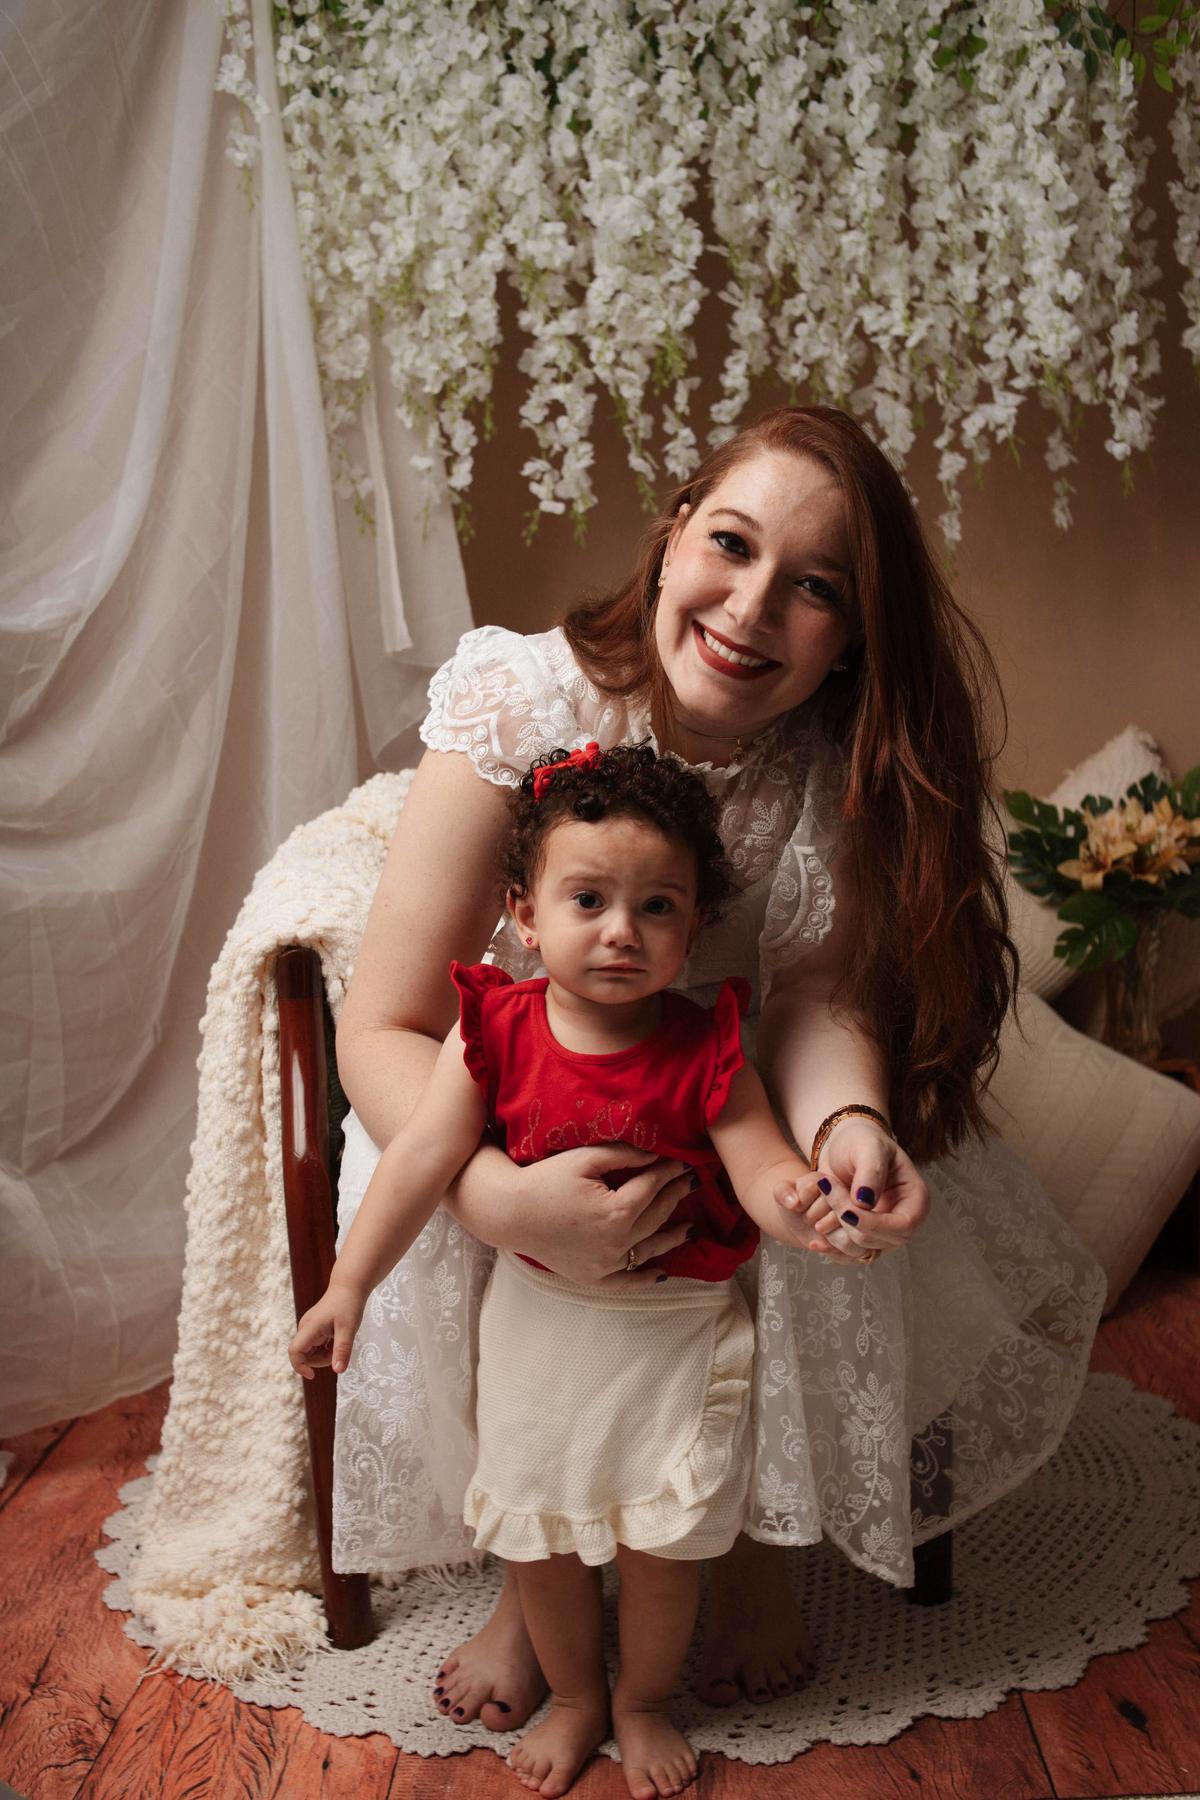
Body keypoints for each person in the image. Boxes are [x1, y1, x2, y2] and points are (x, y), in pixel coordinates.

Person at [329, 405, 1106, 1730]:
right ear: (676, 529)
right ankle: (541, 1564)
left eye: (816, 589)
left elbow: (814, 997)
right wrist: (500, 1197)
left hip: (708, 1092)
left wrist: (848, 1121)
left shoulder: (839, 758)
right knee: (523, 1262)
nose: (752, 610)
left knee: (790, 1189)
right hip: (496, 1100)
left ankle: (732, 1530)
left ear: (853, 636)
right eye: (733, 546)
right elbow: (383, 1028)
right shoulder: (526, 699)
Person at [292, 743, 867, 1799]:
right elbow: (420, 1160)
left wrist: (809, 1206)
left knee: (661, 1545)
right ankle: (574, 1698)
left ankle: (641, 1699)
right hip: (540, 1326)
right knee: (539, 1537)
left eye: (657, 907)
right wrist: (349, 1285)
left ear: (695, 925)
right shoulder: (494, 1032)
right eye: (589, 899)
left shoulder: (705, 1047)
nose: (621, 930)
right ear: (525, 912)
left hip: (671, 1333)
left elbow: (759, 1165)